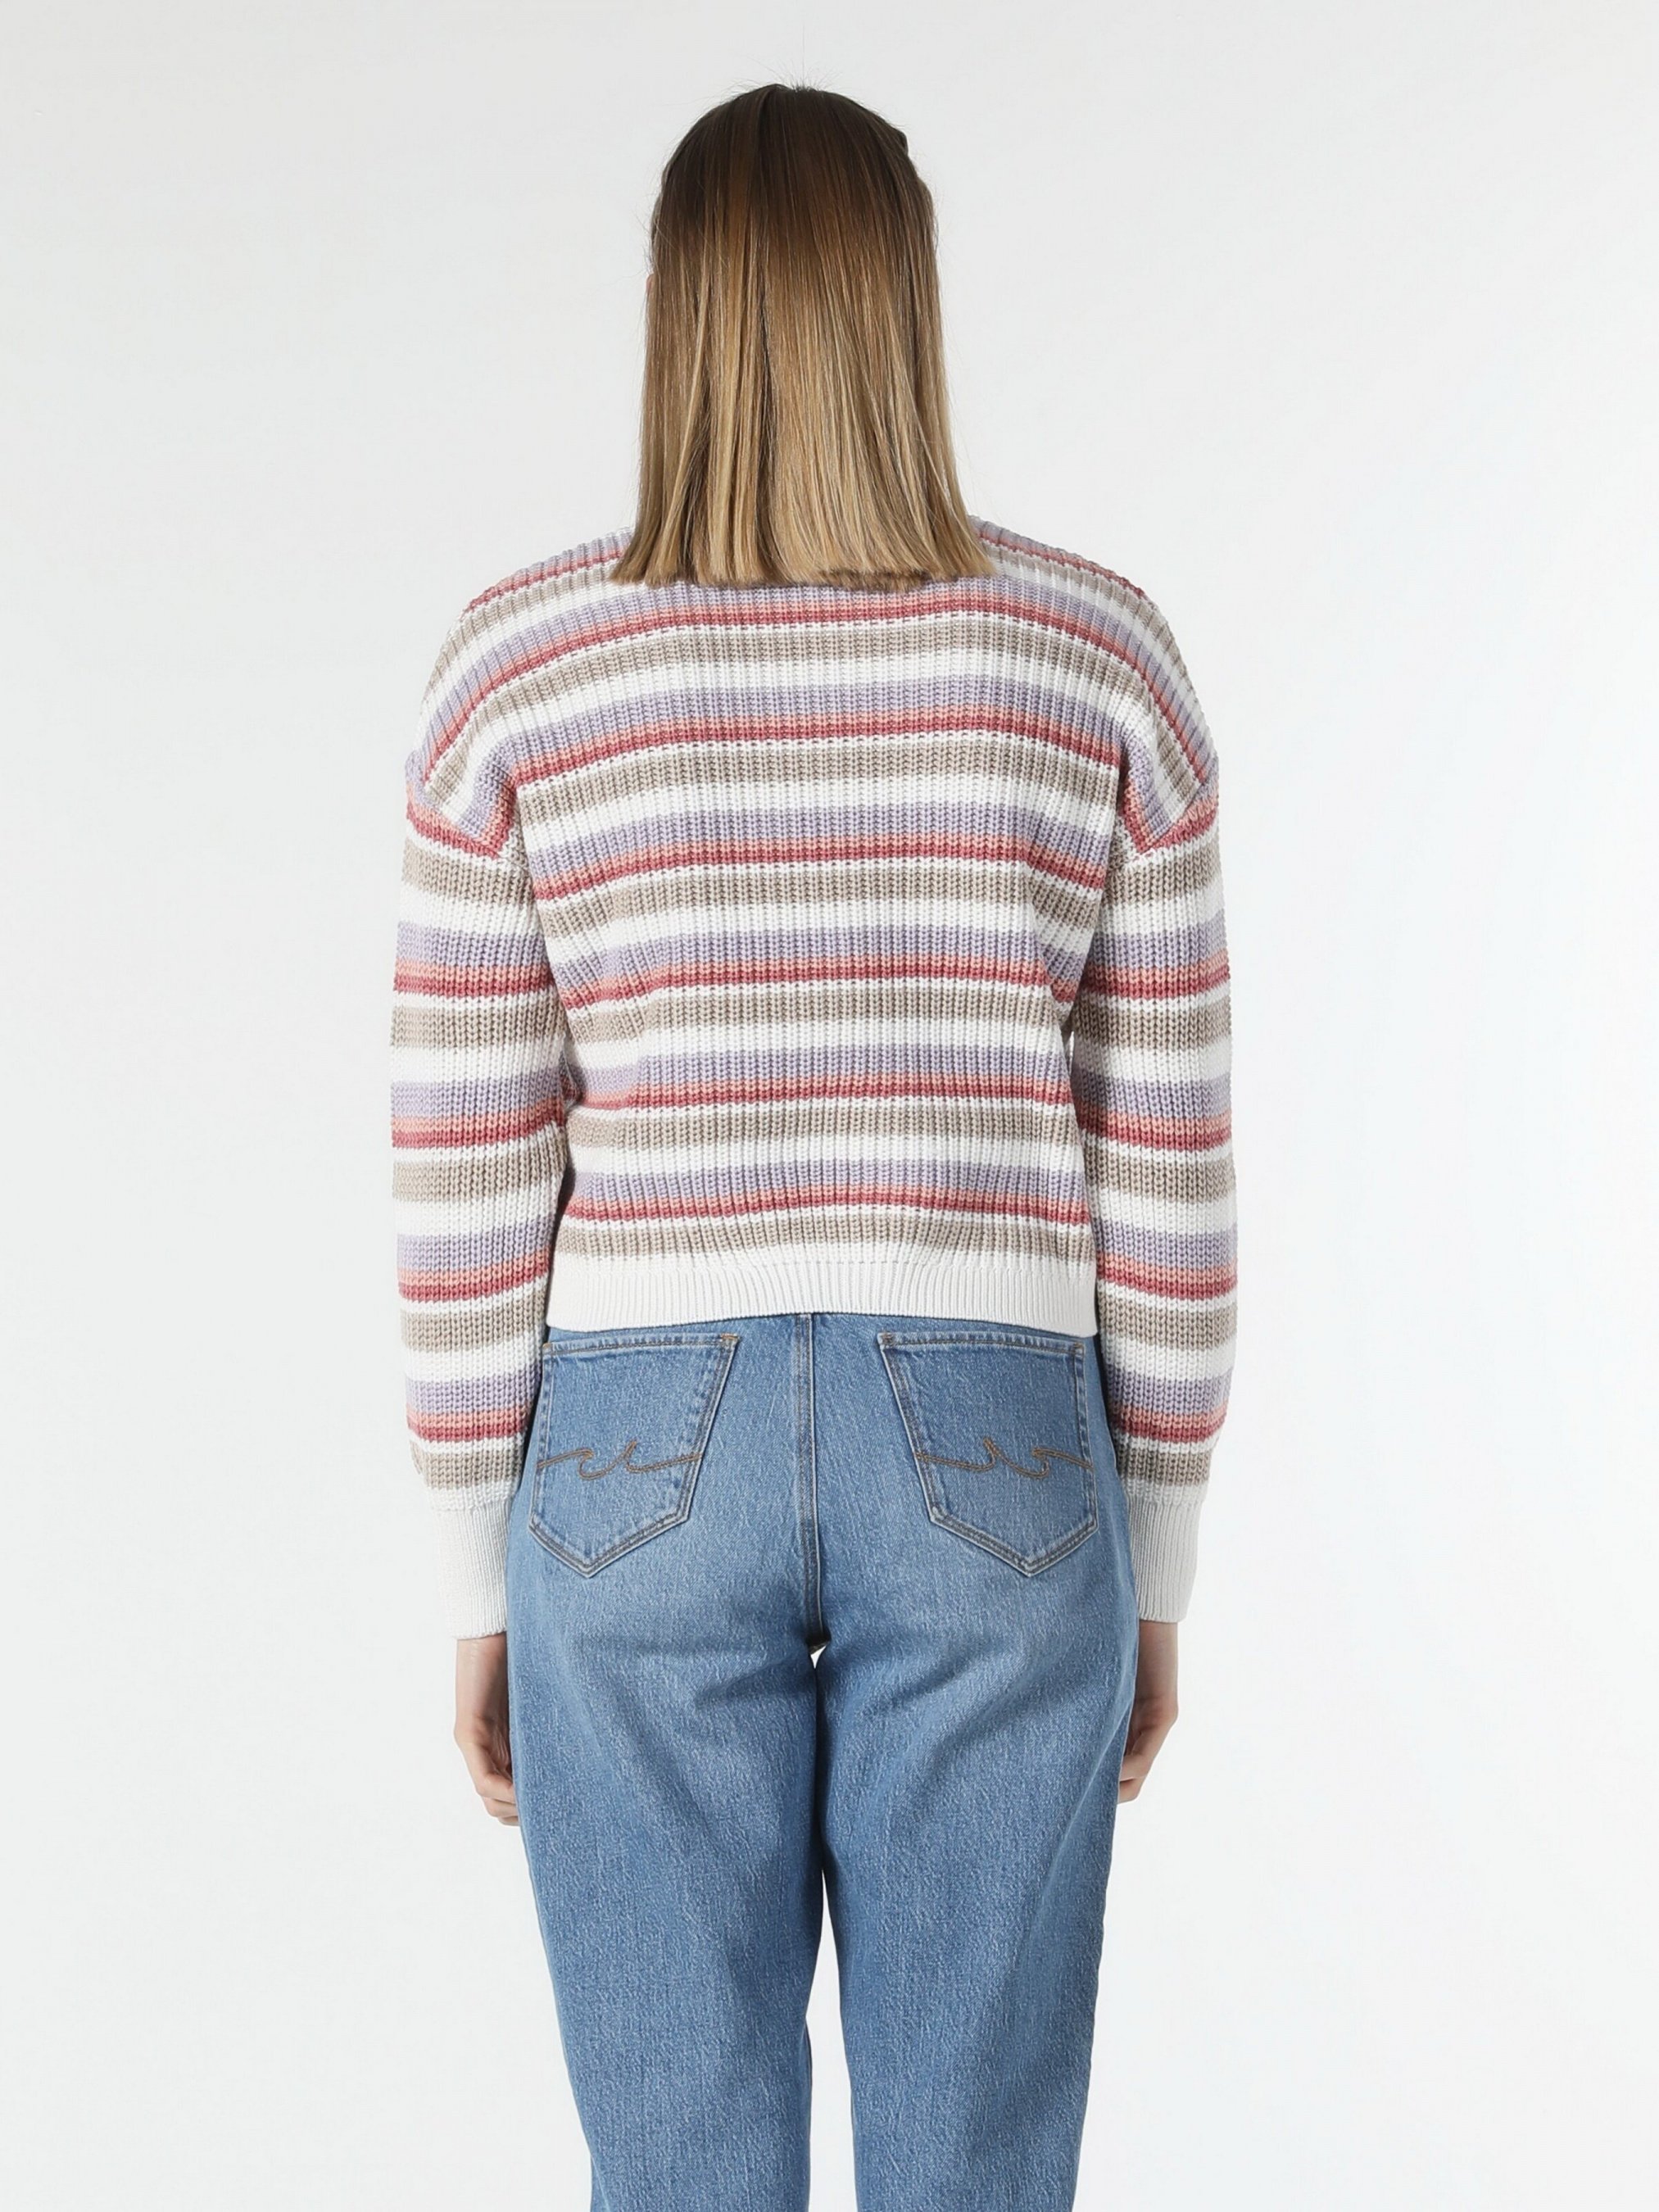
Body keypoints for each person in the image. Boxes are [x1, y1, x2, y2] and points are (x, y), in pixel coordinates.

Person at [390, 79, 1236, 2212]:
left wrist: (475, 1570)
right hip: (1002, 1448)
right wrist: (1156, 1553)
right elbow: (1166, 1161)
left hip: (625, 1459)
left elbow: (467, 1164)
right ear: (906, 309)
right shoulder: (1096, 659)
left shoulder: (516, 675)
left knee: (677, 2167)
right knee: (976, 2167)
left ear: (677, 314)